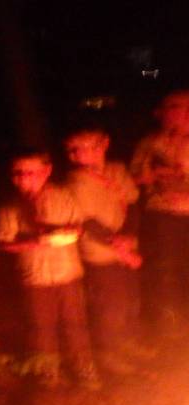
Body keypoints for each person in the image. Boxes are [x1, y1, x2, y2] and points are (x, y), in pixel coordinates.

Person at [0, 148, 100, 389]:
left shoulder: (63, 197)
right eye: (18, 173)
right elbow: (2, 242)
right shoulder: (10, 207)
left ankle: (83, 367)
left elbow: (79, 226)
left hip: (68, 273)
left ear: (46, 171)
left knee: (75, 324)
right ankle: (47, 370)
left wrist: (64, 232)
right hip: (35, 277)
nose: (24, 178)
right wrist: (34, 241)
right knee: (40, 327)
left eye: (30, 172)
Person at [63, 125, 144, 374]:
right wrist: (120, 245)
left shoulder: (117, 170)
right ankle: (108, 353)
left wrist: (129, 235)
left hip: (127, 248)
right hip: (100, 253)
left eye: (84, 147)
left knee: (130, 300)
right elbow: (86, 221)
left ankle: (128, 343)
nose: (77, 154)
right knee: (109, 306)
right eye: (72, 149)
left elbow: (132, 202)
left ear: (104, 144)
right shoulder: (75, 182)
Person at [130, 89, 189, 339]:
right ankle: (172, 334)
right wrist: (153, 174)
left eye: (176, 107)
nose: (166, 113)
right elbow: (134, 177)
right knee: (166, 274)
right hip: (162, 217)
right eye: (167, 107)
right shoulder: (150, 143)